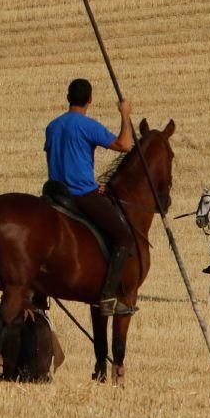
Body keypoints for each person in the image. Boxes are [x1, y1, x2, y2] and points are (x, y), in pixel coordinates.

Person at [44, 78, 135, 316]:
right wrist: (125, 114)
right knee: (124, 236)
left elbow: (65, 157)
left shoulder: (52, 126)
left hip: (53, 193)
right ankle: (107, 297)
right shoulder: (87, 126)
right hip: (81, 195)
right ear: (90, 100)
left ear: (68, 98)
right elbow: (125, 145)